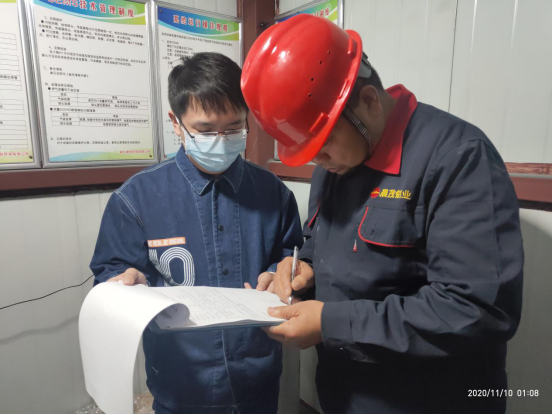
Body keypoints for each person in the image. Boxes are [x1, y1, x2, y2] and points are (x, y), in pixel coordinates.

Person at [241, 15, 524, 414]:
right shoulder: (333, 166)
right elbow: (322, 244)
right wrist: (302, 270)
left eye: (324, 145)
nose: (319, 162)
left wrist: (330, 323)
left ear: (370, 102)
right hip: (343, 397)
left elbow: (478, 310)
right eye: (309, 152)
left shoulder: (457, 159)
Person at [90, 52, 303, 414]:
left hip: (258, 378)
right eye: (205, 130)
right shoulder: (136, 199)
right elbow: (109, 278)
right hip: (181, 382)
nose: (221, 140)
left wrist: (282, 274)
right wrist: (124, 286)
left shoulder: (274, 194)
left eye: (234, 128)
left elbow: (292, 258)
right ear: (176, 123)